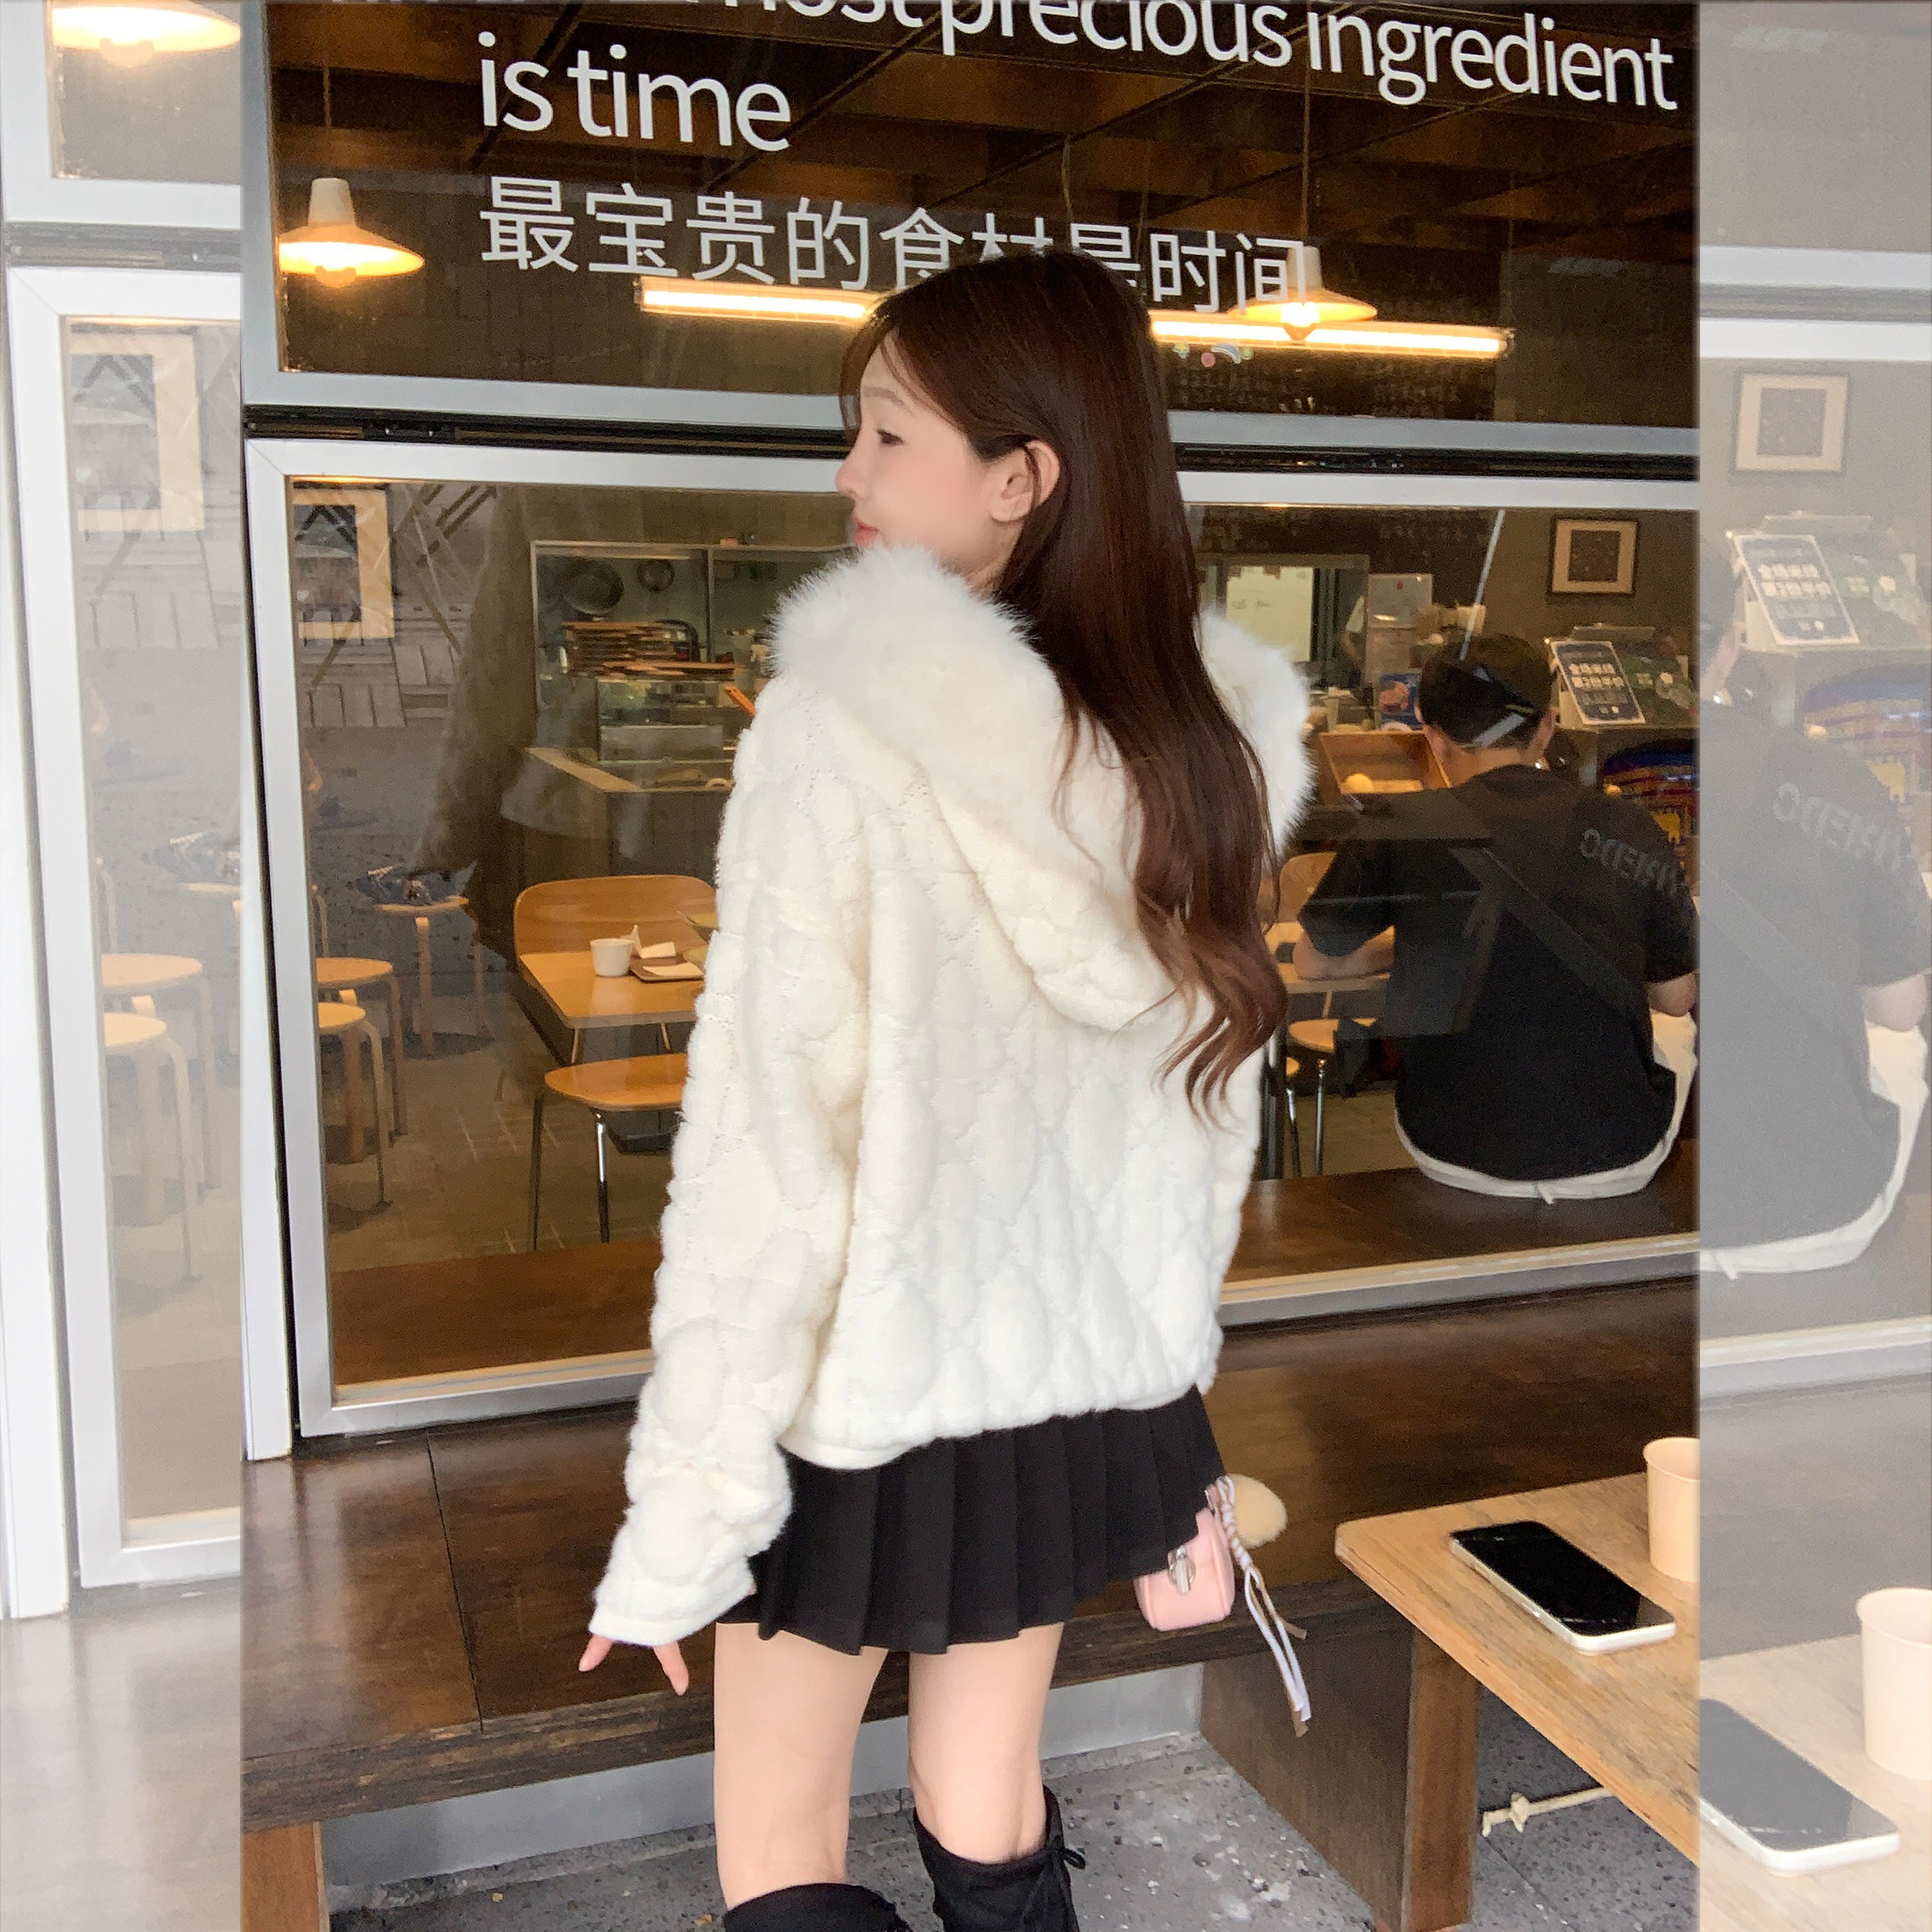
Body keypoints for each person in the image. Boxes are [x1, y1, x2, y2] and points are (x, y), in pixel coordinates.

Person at [577, 250, 1311, 1932]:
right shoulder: (1206, 753)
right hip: (1076, 1401)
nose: (847, 472)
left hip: (863, 1402)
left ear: (1022, 475)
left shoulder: (842, 731)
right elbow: (1197, 1141)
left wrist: (684, 1517)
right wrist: (1162, 1396)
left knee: (781, 1830)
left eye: (886, 434)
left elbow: (769, 1165)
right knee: (984, 1784)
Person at [1294, 633, 1699, 1198]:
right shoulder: (1629, 828)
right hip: (1618, 1157)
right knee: (1674, 1037)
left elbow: (1313, 963)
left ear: (1433, 737)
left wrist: (1409, 940)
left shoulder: (1399, 823)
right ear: (1547, 726)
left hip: (1451, 1148)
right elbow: (1676, 998)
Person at [1695, 543, 1929, 1271]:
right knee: (1902, 1044)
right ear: (1732, 646)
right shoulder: (1837, 779)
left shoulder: (1608, 799)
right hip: (1821, 1210)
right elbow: (1898, 1009)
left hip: (1640, 1201)